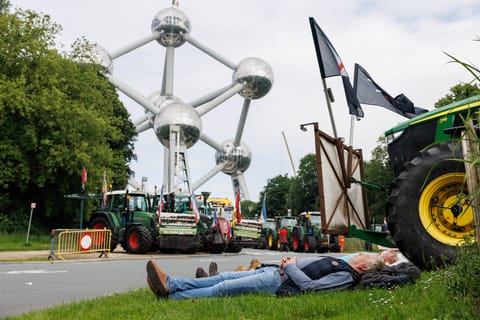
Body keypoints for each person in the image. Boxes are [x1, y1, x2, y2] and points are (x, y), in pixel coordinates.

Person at [146, 253, 385, 300]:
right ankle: (171, 284)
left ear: (364, 267)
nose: (361, 253)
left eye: (364, 255)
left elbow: (311, 287)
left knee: (223, 288)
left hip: (276, 281)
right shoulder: (344, 266)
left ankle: (172, 295)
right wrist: (286, 263)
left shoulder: (346, 276)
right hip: (273, 271)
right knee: (220, 279)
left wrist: (290, 266)